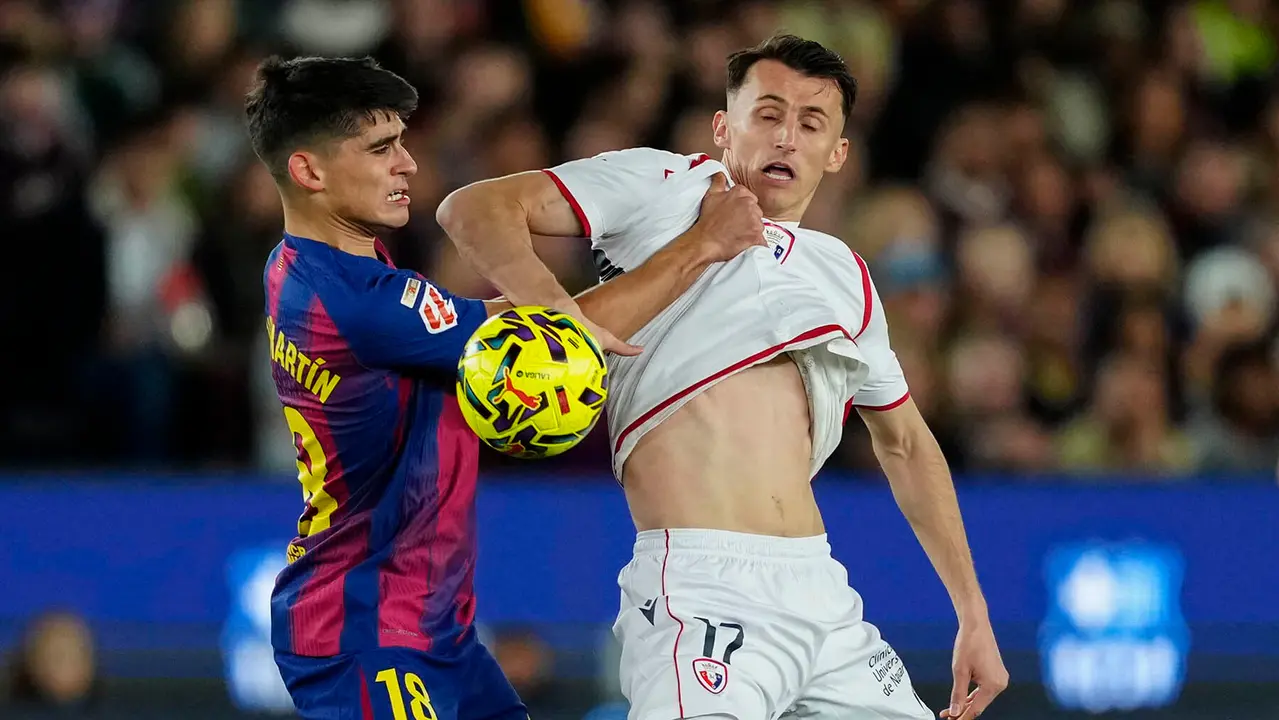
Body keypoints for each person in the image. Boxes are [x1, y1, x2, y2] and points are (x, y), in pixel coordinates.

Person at [437, 35, 1008, 720]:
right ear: (722, 127)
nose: (786, 138)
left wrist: (972, 613)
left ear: (837, 154)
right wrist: (559, 321)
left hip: (821, 594)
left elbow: (906, 446)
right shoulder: (663, 186)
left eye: (810, 123)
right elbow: (472, 210)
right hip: (700, 588)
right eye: (766, 114)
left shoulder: (844, 274)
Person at [245, 55, 766, 720]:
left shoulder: (301, 263)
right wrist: (700, 246)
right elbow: (547, 348)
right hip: (366, 633)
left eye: (401, 141)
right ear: (308, 171)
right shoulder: (353, 298)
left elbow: (509, 323)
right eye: (380, 148)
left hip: (429, 628)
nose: (406, 163)